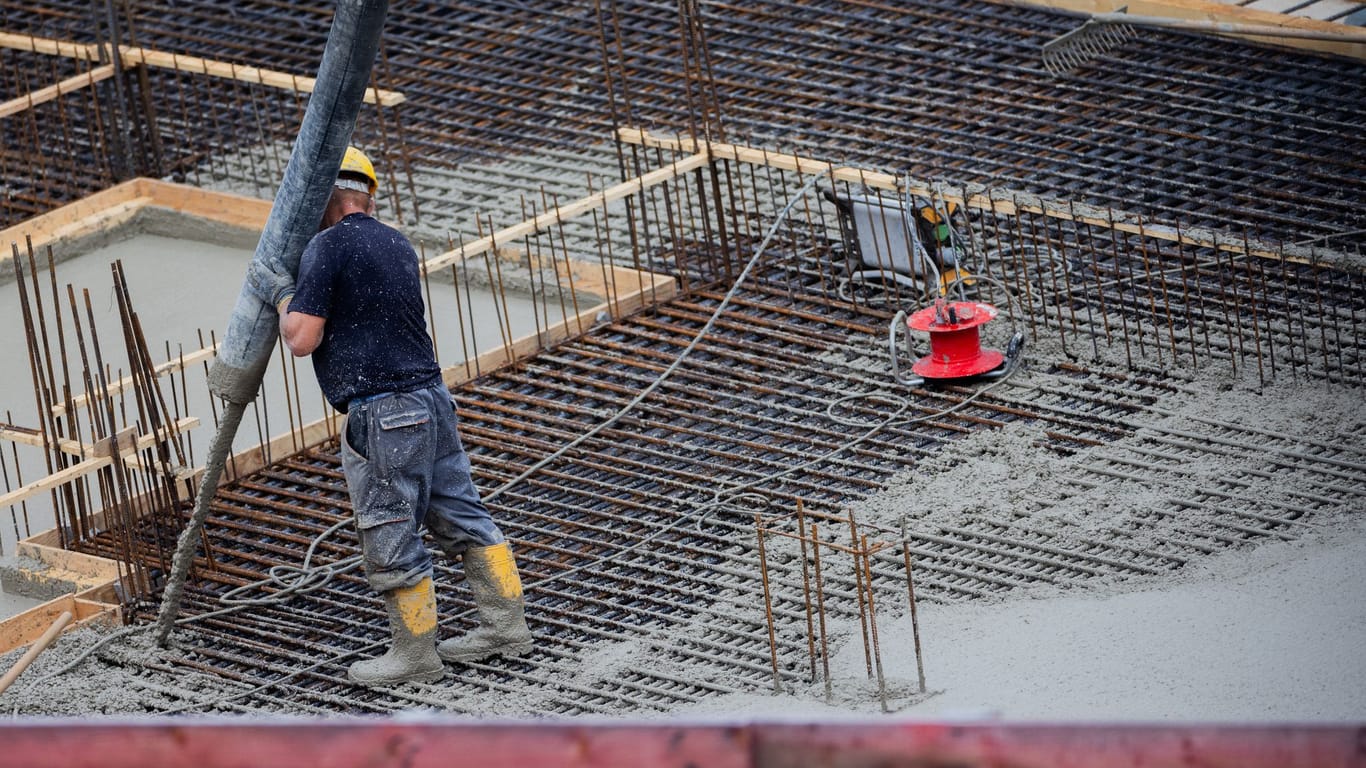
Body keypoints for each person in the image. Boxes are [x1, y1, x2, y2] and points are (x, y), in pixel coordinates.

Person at [249, 145, 533, 686]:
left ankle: (415, 657)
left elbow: (302, 339)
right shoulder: (396, 242)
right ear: (368, 194)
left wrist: (283, 292)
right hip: (431, 399)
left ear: (323, 199)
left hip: (382, 413)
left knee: (390, 529)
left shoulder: (327, 247)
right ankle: (505, 628)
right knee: (464, 514)